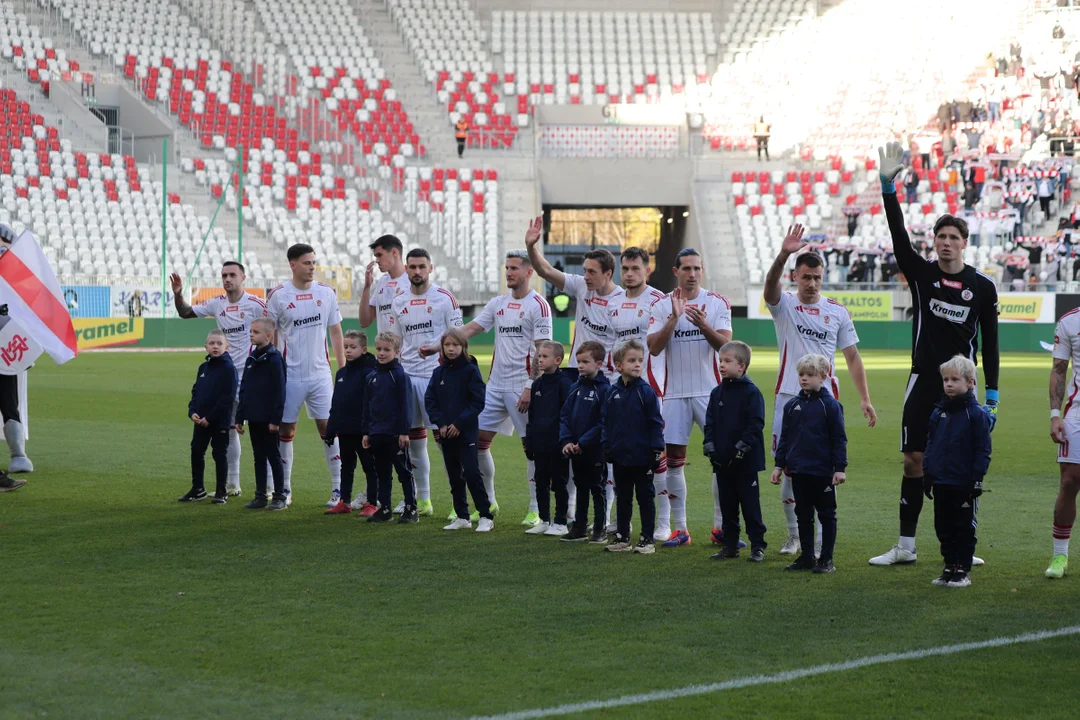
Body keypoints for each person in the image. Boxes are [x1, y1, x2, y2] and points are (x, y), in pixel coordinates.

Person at [870, 142, 999, 567]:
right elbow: (898, 236)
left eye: (953, 238)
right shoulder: (922, 275)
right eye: (941, 237)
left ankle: (963, 546)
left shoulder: (981, 287)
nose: (946, 243)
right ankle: (906, 546)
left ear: (964, 243)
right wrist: (889, 188)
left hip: (963, 387)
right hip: (924, 379)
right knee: (914, 461)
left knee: (961, 469)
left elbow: (992, 342)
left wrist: (992, 393)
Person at [763, 225, 876, 557]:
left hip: (826, 402)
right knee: (787, 467)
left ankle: (825, 538)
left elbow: (852, 357)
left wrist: (865, 398)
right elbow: (770, 286)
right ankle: (795, 535)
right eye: (805, 277)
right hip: (789, 397)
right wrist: (784, 254)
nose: (811, 283)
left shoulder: (837, 312)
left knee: (826, 469)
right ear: (795, 276)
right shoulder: (783, 305)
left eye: (817, 277)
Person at [526, 216, 625, 529]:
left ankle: (605, 517)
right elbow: (544, 270)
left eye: (592, 272)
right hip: (573, 375)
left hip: (606, 382)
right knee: (567, 444)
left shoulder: (622, 301)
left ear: (609, 273)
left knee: (600, 449)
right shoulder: (582, 287)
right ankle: (567, 513)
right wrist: (531, 246)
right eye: (584, 271)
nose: (586, 277)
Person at [647, 248, 732, 548]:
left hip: (711, 393)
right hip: (674, 394)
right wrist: (674, 318)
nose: (692, 274)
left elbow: (727, 347)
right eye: (686, 268)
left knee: (722, 460)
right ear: (676, 271)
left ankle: (721, 527)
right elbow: (654, 348)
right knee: (673, 462)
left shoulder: (717, 302)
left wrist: (703, 325)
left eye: (697, 268)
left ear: (702, 270)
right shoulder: (660, 305)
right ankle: (680, 529)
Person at [461, 248, 553, 526]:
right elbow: (471, 329)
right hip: (495, 386)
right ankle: (488, 501)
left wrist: (529, 386)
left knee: (532, 448)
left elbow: (543, 351)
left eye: (514, 268)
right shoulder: (498, 303)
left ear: (528, 272)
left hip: (522, 387)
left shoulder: (539, 305)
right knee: (477, 442)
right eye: (507, 268)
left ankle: (536, 508)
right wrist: (438, 344)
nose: (509, 273)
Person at [172, 262, 268, 497]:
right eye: (224, 275)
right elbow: (185, 312)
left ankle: (270, 487)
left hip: (251, 378)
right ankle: (233, 484)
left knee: (261, 432)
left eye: (232, 275)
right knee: (229, 430)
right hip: (226, 377)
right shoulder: (217, 303)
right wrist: (178, 294)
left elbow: (273, 329)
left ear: (243, 277)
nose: (227, 279)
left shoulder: (256, 305)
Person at [267, 243, 346, 508]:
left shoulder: (326, 293)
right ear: (292, 264)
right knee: (286, 429)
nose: (312, 267)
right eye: (306, 263)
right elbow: (271, 334)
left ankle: (338, 490)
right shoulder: (278, 295)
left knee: (329, 429)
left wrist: (343, 368)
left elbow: (335, 331)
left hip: (321, 375)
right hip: (289, 376)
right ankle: (285, 488)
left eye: (314, 262)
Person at [387, 248, 464, 518]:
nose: (417, 271)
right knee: (412, 443)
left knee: (446, 442)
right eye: (412, 267)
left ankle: (459, 504)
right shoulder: (398, 302)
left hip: (438, 377)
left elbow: (459, 337)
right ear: (406, 269)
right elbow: (394, 341)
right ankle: (423, 500)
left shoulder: (445, 299)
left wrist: (437, 349)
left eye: (421, 266)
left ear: (431, 268)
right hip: (407, 378)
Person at [606, 247, 670, 541]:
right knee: (619, 458)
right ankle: (620, 524)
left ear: (647, 269)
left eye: (635, 268)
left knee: (653, 459)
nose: (629, 274)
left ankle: (662, 523)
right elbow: (612, 345)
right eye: (625, 268)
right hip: (621, 390)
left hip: (651, 388)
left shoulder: (659, 300)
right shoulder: (614, 302)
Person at [771, 354, 847, 574]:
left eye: (810, 375)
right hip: (798, 470)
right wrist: (779, 465)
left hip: (822, 471)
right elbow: (785, 437)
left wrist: (839, 468)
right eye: (801, 374)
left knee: (826, 514)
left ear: (823, 377)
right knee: (802, 515)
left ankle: (826, 559)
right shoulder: (792, 405)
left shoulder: (830, 406)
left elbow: (839, 438)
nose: (804, 379)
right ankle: (806, 557)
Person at [924, 355, 992, 588]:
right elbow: (931, 445)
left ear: (970, 383)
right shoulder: (938, 412)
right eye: (945, 380)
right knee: (942, 526)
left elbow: (983, 449)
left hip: (963, 483)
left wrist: (976, 479)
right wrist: (928, 474)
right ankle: (949, 565)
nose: (949, 384)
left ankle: (963, 569)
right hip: (941, 480)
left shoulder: (975, 414)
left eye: (955, 379)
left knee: (963, 527)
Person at [703, 341, 767, 563]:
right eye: (720, 360)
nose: (721, 365)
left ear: (742, 366)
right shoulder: (716, 392)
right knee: (727, 506)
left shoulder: (751, 392)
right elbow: (709, 422)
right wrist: (709, 446)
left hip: (745, 463)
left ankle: (757, 546)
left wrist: (741, 449)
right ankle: (730, 545)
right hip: (721, 462)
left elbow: (756, 424)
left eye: (727, 361)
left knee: (750, 507)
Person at [425, 328, 493, 532]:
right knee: (454, 475)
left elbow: (477, 402)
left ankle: (485, 516)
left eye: (455, 345)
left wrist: (459, 424)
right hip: (446, 432)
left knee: (472, 472)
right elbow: (430, 401)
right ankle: (462, 516)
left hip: (466, 431)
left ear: (463, 347)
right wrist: (442, 424)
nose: (451, 349)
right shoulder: (438, 373)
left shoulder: (471, 370)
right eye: (447, 345)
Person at [357, 235, 407, 509]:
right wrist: (366, 288)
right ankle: (377, 494)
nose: (376, 261)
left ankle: (414, 497)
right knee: (379, 433)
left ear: (394, 253)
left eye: (379, 255)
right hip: (382, 363)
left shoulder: (410, 282)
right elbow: (365, 321)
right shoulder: (382, 284)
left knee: (408, 435)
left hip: (405, 364)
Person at [601, 339, 665, 554]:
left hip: (642, 456)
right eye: (631, 360)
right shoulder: (612, 392)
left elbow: (656, 423)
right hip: (620, 456)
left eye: (640, 360)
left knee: (645, 497)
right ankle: (622, 537)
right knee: (623, 497)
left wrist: (656, 449)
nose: (637, 364)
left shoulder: (645, 392)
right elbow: (606, 422)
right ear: (618, 365)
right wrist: (606, 446)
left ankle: (647, 539)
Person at [361, 332, 417, 524]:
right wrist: (366, 432)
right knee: (382, 473)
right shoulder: (371, 376)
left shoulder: (399, 376)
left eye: (387, 350)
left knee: (403, 472)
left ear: (397, 351)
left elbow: (406, 406)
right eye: (379, 349)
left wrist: (403, 432)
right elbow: (367, 406)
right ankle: (385, 508)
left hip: (395, 434)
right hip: (376, 433)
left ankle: (411, 508)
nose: (382, 353)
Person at [559, 341, 611, 544]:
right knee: (580, 487)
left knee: (597, 489)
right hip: (575, 450)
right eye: (578, 361)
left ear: (599, 363)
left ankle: (600, 528)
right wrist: (566, 441)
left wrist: (584, 442)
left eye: (585, 362)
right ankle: (579, 527)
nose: (580, 366)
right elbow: (564, 416)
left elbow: (603, 422)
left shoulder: (604, 390)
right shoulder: (574, 388)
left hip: (594, 450)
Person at [178, 329, 238, 504]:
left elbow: (227, 397)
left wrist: (209, 418)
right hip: (200, 421)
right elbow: (196, 392)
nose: (215, 346)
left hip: (218, 421)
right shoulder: (203, 368)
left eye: (219, 344)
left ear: (226, 347)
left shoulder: (229, 368)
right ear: (206, 346)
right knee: (196, 451)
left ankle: (221, 491)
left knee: (219, 454)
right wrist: (193, 412)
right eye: (212, 343)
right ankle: (198, 489)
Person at [323, 330, 379, 516]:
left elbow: (372, 404)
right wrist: (331, 428)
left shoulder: (370, 373)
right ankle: (344, 502)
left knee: (370, 467)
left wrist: (368, 430)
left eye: (352, 347)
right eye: (346, 347)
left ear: (363, 350)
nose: (348, 350)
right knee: (346, 466)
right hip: (345, 430)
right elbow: (336, 403)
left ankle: (372, 503)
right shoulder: (341, 373)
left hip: (363, 431)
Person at [234, 318, 287, 510]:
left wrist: (275, 419)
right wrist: (240, 416)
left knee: (273, 455)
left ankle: (280, 496)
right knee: (258, 456)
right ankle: (260, 496)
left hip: (268, 419)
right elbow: (245, 389)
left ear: (268, 336)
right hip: (254, 417)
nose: (251, 335)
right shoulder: (251, 358)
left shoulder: (274, 359)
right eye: (250, 331)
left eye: (255, 332)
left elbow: (280, 391)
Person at [523, 341, 573, 536]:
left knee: (559, 483)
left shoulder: (564, 384)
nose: (540, 359)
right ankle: (544, 520)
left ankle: (560, 521)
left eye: (544, 356)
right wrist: (529, 440)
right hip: (540, 443)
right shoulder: (537, 384)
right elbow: (532, 416)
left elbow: (566, 415)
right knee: (540, 481)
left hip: (557, 444)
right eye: (539, 356)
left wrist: (563, 440)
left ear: (558, 360)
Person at [1046, 305, 1080, 579]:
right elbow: (1059, 369)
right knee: (1069, 480)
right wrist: (1055, 415)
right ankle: (1060, 555)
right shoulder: (1070, 321)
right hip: (1077, 413)